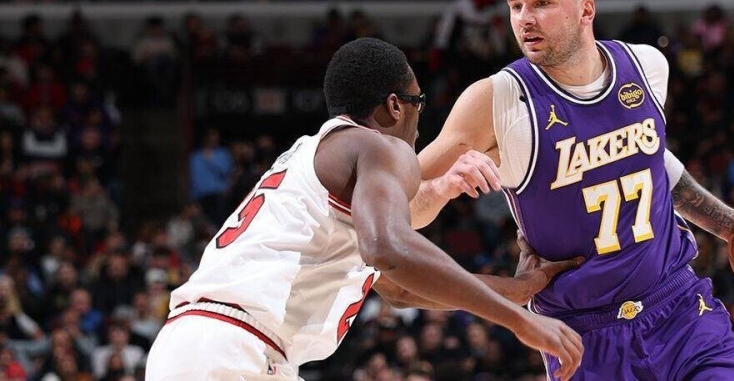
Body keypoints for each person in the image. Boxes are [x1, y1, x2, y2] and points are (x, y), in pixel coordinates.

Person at [145, 38, 584, 380]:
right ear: (395, 106)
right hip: (234, 351)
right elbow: (389, 248)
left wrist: (518, 289)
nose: (419, 122)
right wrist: (518, 322)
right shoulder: (378, 147)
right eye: (418, 103)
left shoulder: (317, 159)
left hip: (205, 346)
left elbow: (401, 290)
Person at [412, 0, 734, 379]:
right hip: (583, 334)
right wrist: (441, 189)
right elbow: (399, 205)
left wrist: (730, 225)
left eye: (541, 3)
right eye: (516, 6)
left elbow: (653, 161)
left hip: (680, 308)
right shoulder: (498, 100)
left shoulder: (646, 65)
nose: (524, 19)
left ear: (585, 10)